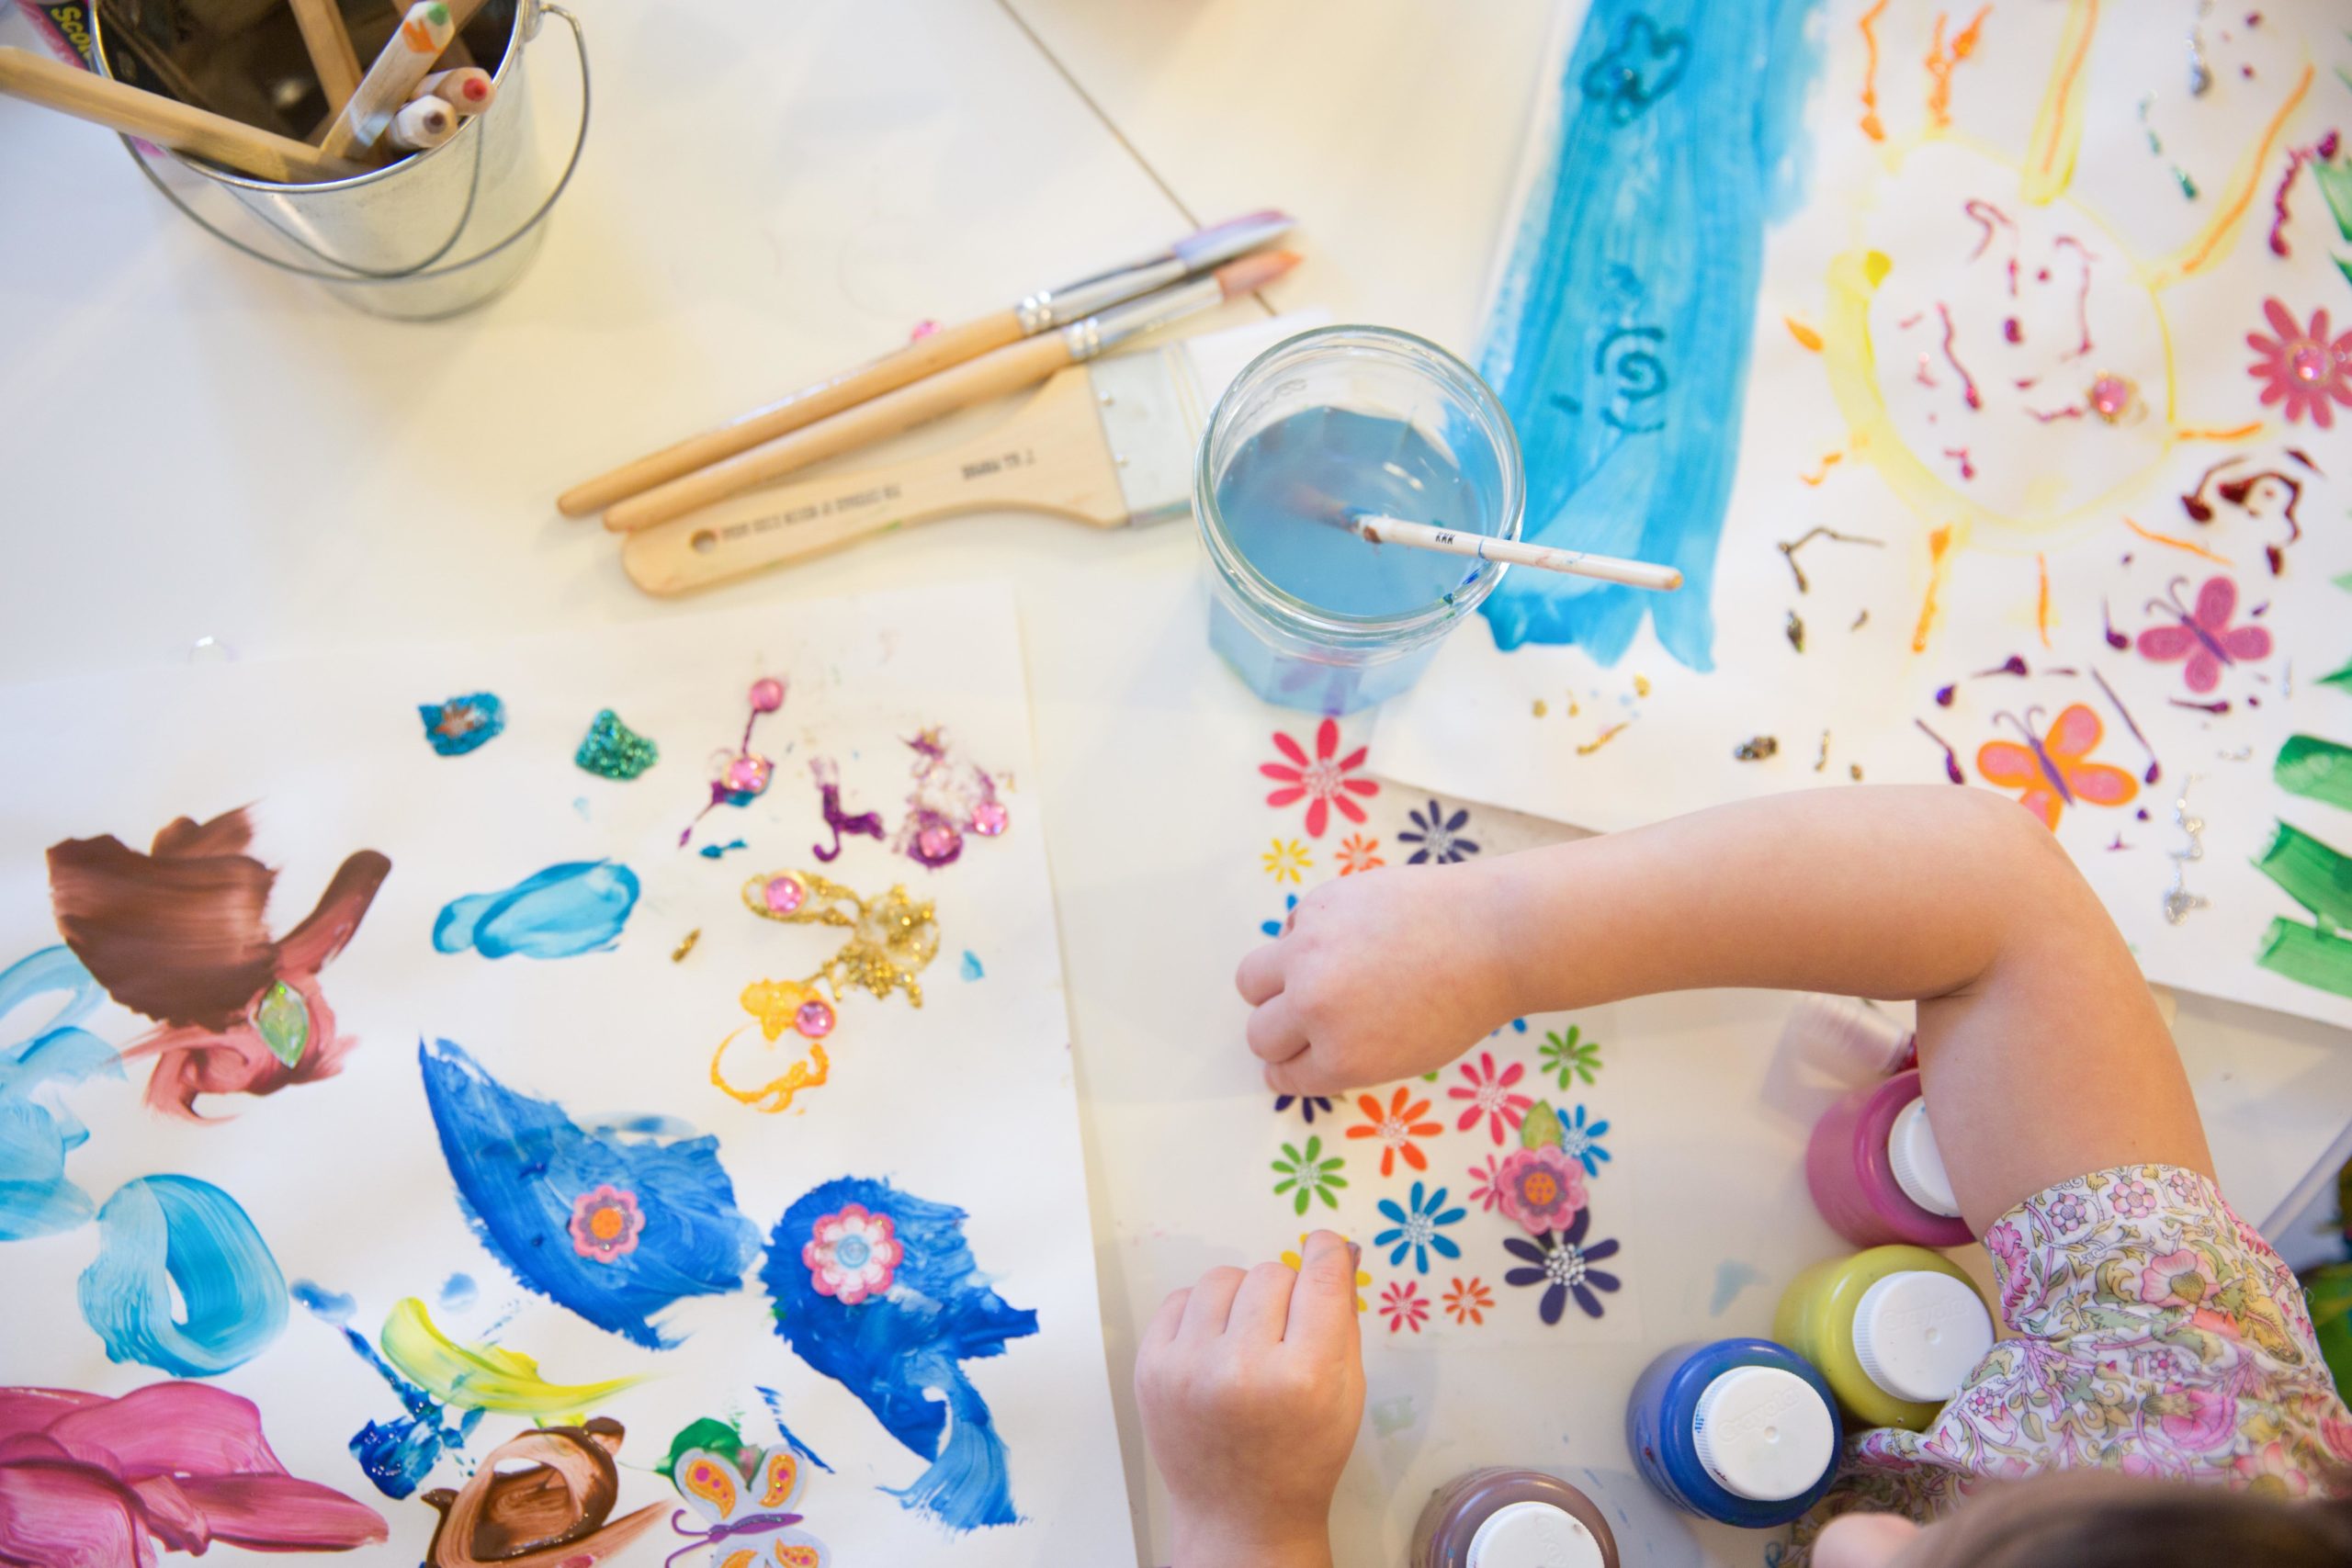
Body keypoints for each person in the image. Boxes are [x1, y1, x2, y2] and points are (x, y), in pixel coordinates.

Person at [1134, 787, 2352, 1566]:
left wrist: (1249, 1518)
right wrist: (1504, 935)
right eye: (1958, 1541)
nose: (1863, 1540)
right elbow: (2004, 902)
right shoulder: (2209, 1442)